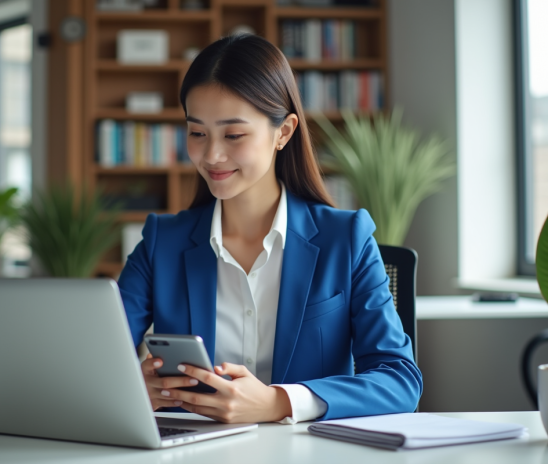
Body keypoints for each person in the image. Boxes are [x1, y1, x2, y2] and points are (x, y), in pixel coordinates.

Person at [118, 34, 422, 424]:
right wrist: (133, 387)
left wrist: (279, 402)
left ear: (284, 131)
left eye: (233, 135)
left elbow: (399, 380)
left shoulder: (345, 239)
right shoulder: (162, 242)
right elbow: (96, 366)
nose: (211, 155)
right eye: (197, 133)